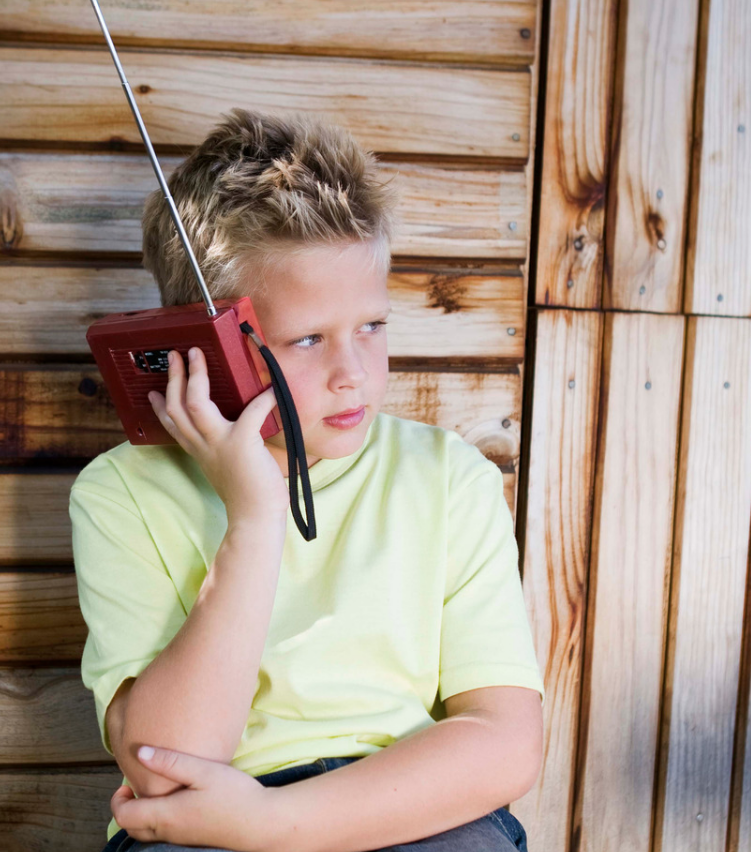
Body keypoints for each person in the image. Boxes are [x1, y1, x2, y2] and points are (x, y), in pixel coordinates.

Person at [69, 108, 545, 852]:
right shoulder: (120, 494)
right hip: (205, 826)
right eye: (307, 339)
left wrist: (276, 826)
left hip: (410, 807)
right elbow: (164, 768)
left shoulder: (449, 481)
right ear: (206, 345)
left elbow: (504, 743)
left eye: (372, 327)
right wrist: (254, 522)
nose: (352, 373)